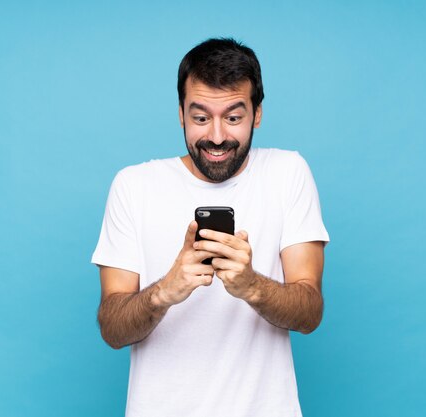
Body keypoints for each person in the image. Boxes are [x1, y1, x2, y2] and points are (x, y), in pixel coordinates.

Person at [92, 38, 330, 417]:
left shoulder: (288, 174)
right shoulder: (133, 185)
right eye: (201, 118)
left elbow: (310, 312)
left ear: (257, 114)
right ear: (181, 114)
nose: (217, 137)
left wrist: (252, 286)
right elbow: (112, 329)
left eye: (233, 118)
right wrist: (164, 292)